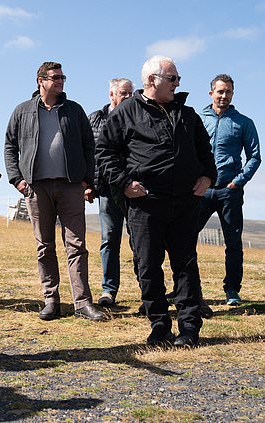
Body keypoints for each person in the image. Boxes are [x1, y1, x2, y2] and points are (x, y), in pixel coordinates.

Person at [96, 55, 216, 348]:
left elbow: (206, 155)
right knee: (148, 265)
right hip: (145, 204)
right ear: (152, 81)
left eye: (177, 79)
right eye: (172, 78)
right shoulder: (125, 113)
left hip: (185, 202)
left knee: (185, 265)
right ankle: (159, 325)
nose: (177, 83)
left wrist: (207, 178)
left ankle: (189, 327)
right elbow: (104, 152)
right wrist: (124, 183)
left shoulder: (188, 116)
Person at [4, 61, 106, 322]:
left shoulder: (74, 110)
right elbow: (9, 146)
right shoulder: (22, 111)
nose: (61, 81)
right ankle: (51, 300)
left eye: (63, 77)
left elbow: (88, 147)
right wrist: (17, 180)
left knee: (77, 245)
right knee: (44, 247)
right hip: (36, 188)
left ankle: (82, 303)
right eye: (55, 77)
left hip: (71, 186)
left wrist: (87, 180)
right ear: (41, 80)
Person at [198, 74, 261, 306]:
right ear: (211, 93)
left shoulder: (244, 122)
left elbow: (255, 156)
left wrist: (239, 181)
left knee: (233, 243)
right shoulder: (197, 119)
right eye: (220, 91)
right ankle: (186, 287)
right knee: (183, 239)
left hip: (229, 191)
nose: (224, 96)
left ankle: (232, 290)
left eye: (228, 92)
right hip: (201, 191)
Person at [88, 78, 133, 308]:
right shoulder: (95, 119)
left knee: (140, 241)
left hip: (134, 189)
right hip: (107, 190)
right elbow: (89, 154)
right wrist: (88, 184)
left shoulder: (139, 116)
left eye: (131, 93)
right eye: (124, 93)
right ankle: (109, 290)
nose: (128, 97)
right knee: (109, 240)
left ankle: (148, 290)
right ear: (112, 94)